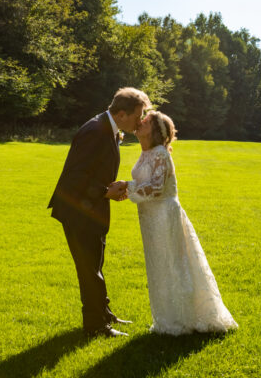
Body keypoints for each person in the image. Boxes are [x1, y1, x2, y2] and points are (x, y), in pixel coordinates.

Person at [119, 111, 238, 335]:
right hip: (149, 217)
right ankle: (165, 317)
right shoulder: (145, 152)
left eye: (145, 121)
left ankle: (182, 319)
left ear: (154, 130)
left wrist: (127, 186)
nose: (139, 122)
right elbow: (145, 184)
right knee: (157, 265)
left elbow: (156, 188)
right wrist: (128, 187)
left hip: (164, 215)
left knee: (173, 263)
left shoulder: (161, 154)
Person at [48, 87, 151, 338]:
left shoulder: (108, 128)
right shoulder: (95, 131)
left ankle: (104, 314)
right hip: (77, 211)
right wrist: (105, 191)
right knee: (89, 269)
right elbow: (74, 177)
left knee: (95, 264)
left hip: (89, 208)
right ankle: (95, 326)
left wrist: (108, 189)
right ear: (122, 114)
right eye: (139, 115)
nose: (142, 121)